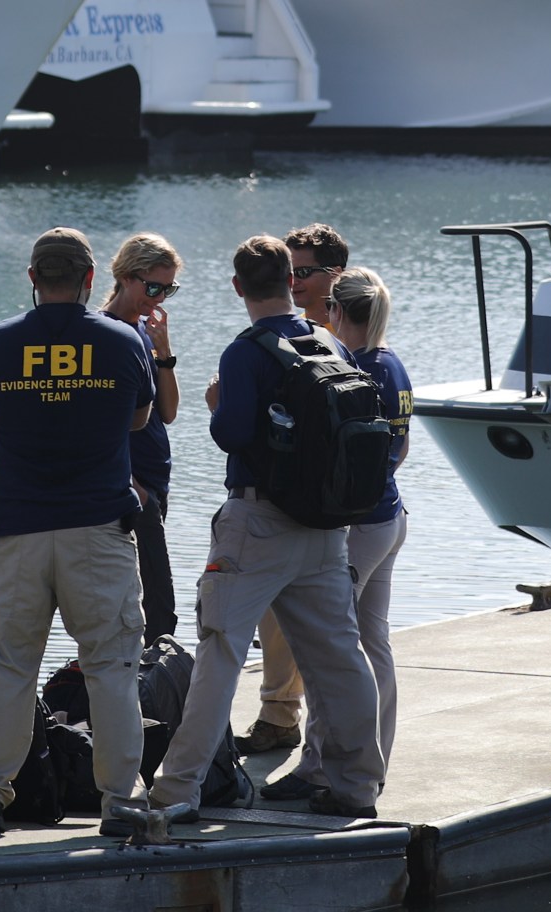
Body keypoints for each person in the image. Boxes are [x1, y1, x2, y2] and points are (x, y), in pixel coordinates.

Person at [150, 235, 384, 822]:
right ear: (290, 280)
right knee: (340, 658)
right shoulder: (328, 340)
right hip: (327, 527)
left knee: (220, 654)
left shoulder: (245, 351)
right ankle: (357, 786)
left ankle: (177, 791)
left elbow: (230, 434)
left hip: (257, 523)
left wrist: (217, 400)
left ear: (238, 288)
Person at [0, 229, 156, 835]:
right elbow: (140, 417)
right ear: (91, 281)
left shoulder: (1, 341)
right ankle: (120, 802)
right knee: (112, 666)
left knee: (8, 665)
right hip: (98, 529)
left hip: (18, 528)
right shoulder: (122, 339)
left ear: (33, 279)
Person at [263, 267, 411, 803]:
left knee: (330, 651)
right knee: (373, 644)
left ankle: (321, 769)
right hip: (391, 518)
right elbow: (399, 450)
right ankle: (375, 761)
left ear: (338, 312)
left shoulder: (352, 367)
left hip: (359, 527)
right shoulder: (392, 365)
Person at [235, 222, 350, 756]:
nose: (297, 281)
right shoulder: (293, 332)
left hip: (344, 504)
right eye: (291, 271)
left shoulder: (347, 332)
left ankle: (333, 752)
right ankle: (283, 717)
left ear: (336, 275)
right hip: (297, 501)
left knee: (345, 640)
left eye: (306, 272)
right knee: (280, 623)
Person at [102, 232, 184, 644]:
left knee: (155, 609)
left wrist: (164, 353)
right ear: (125, 277)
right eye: (153, 287)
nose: (160, 298)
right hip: (131, 491)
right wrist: (136, 492)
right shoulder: (104, 334)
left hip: (154, 484)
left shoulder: (143, 333)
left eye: (169, 288)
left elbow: (168, 412)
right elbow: (99, 428)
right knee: (153, 612)